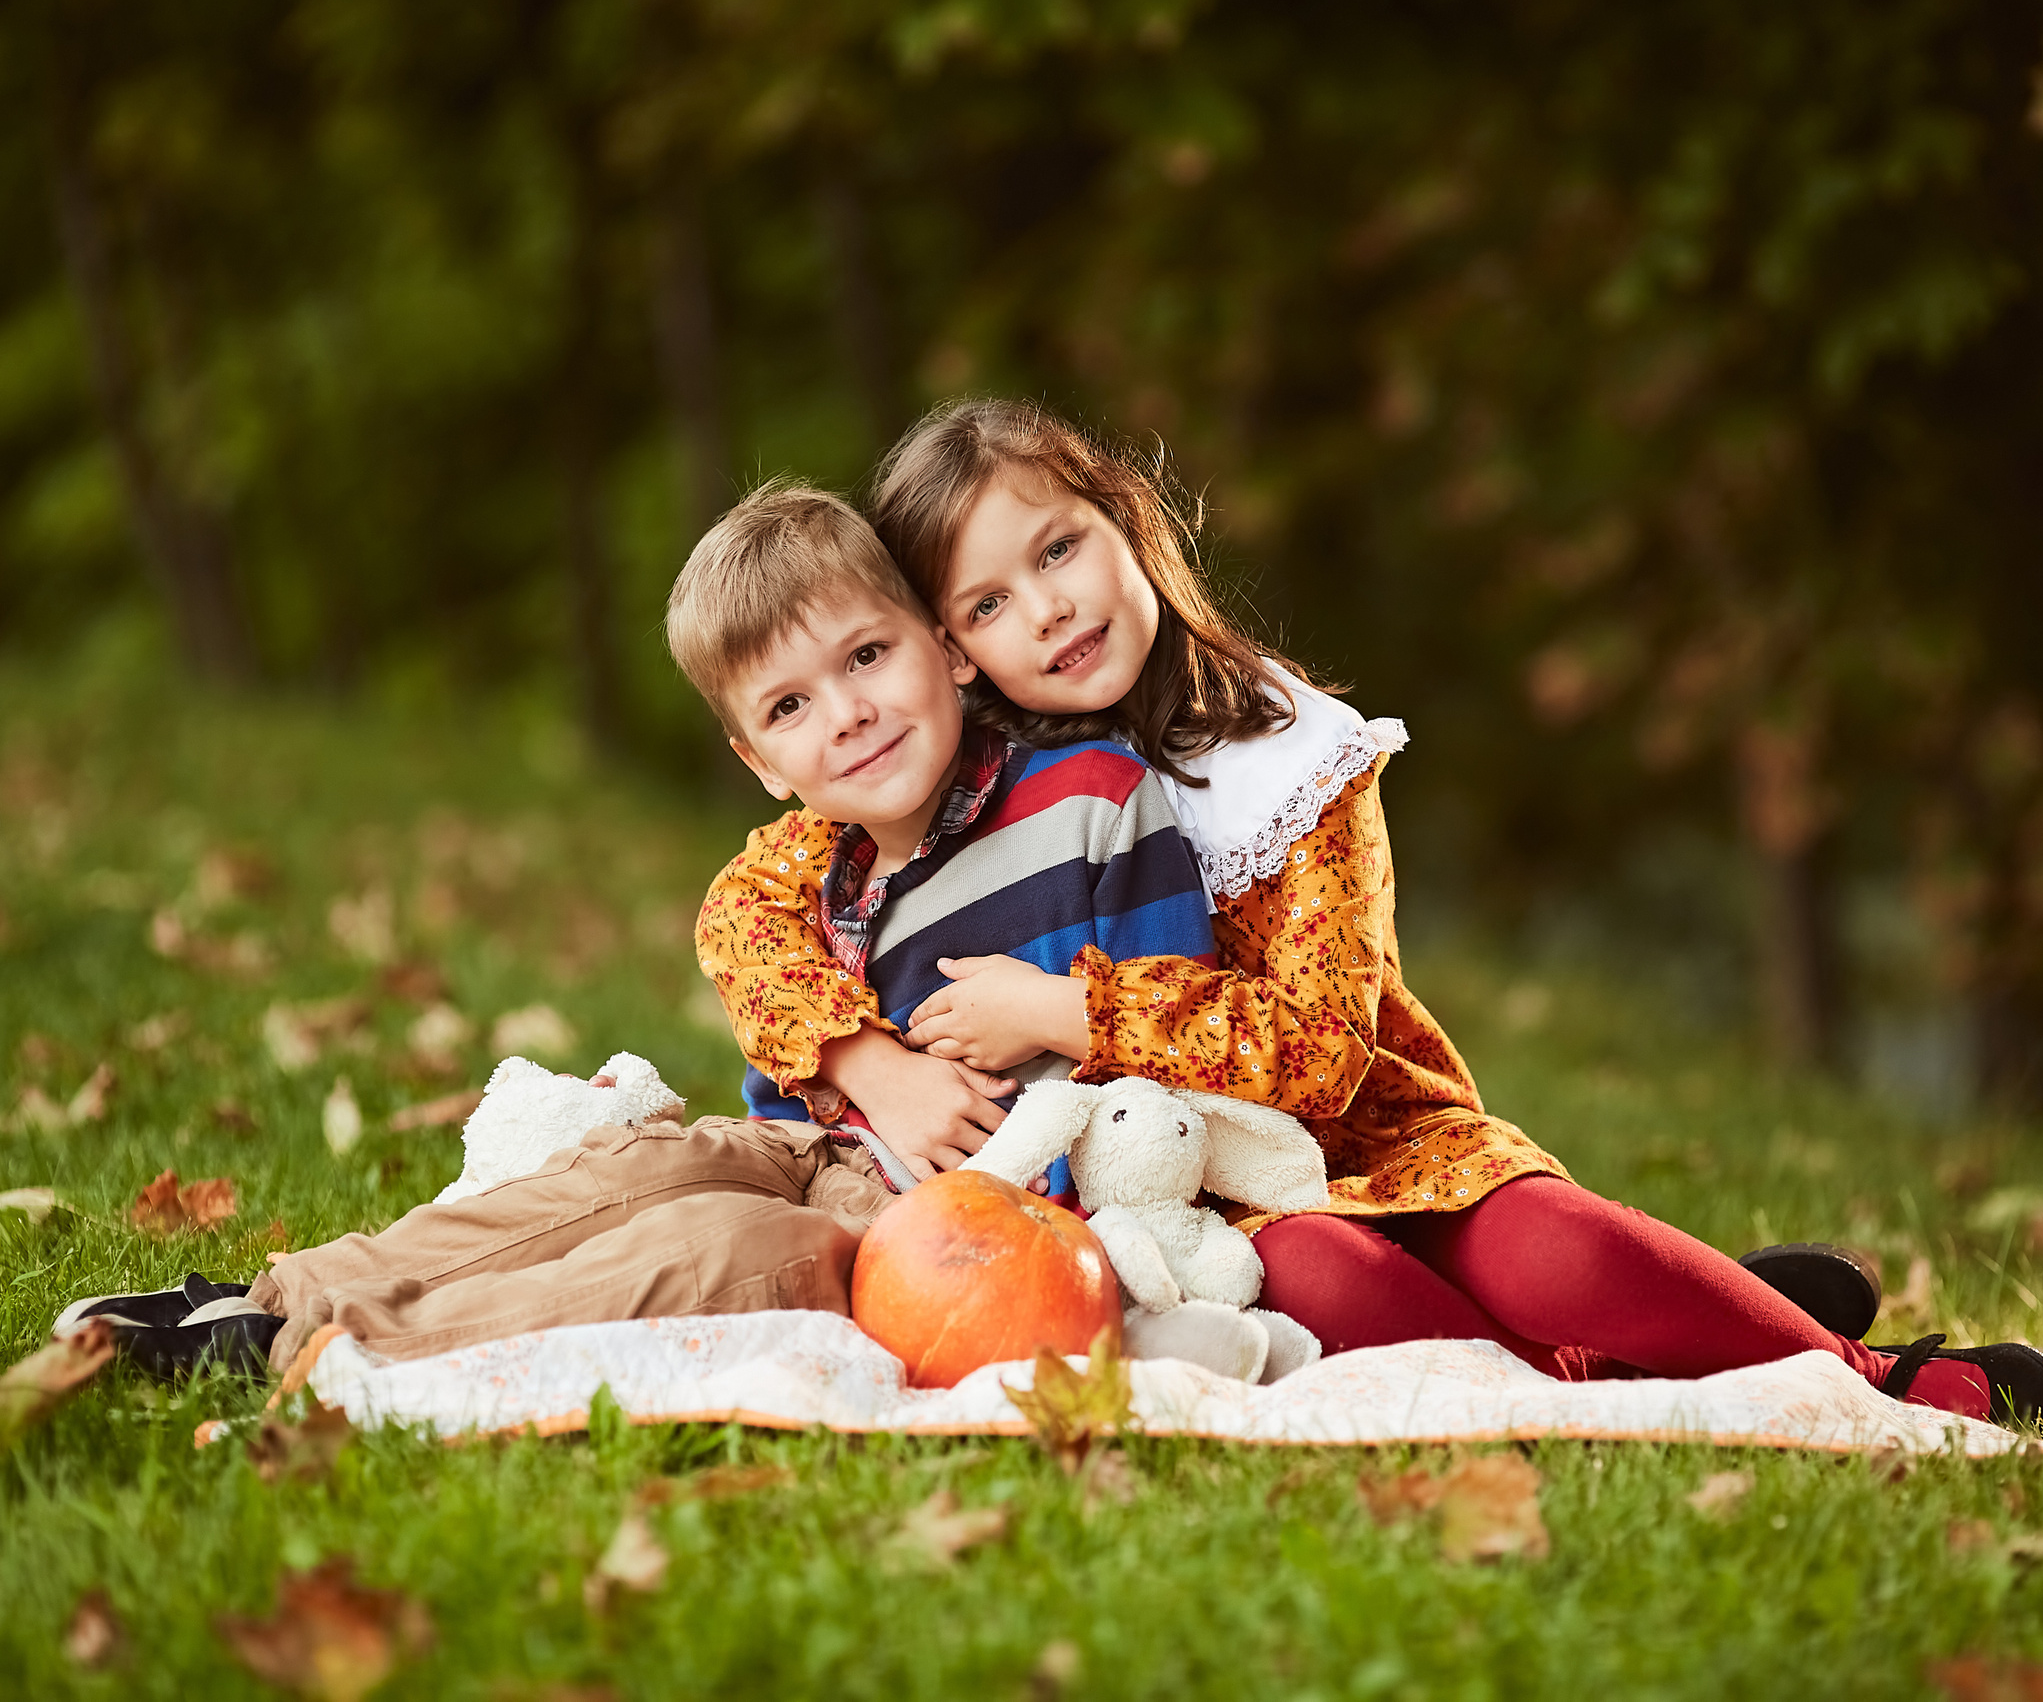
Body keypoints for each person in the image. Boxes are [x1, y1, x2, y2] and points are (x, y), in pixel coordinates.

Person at [697, 398, 2043, 1434]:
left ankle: (1876, 1379)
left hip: (1377, 1134)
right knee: (1315, 1281)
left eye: (1059, 548)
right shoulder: (955, 764)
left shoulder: (1285, 748)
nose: (1046, 611)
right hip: (1215, 1194)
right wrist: (865, 1058)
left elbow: (1320, 1055)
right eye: (989, 600)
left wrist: (1065, 1008)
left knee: (1543, 1244)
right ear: (953, 646)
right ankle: (1615, 1358)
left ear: (1128, 518)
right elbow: (744, 908)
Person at [59, 480, 1219, 1380]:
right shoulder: (814, 859)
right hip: (809, 1150)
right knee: (640, 1171)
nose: (850, 714)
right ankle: (272, 1293)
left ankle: (320, 1348)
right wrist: (874, 1076)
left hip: (961, 1216)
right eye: (790, 707)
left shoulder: (1091, 798)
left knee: (716, 1254)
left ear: (946, 649)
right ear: (759, 764)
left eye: (868, 656)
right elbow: (752, 968)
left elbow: (1180, 1052)